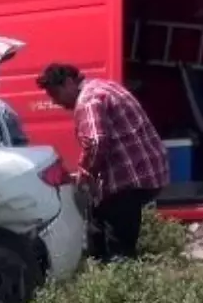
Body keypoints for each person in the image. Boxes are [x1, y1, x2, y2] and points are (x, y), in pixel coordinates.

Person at [36, 63, 168, 261]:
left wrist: (85, 172)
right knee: (99, 226)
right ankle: (105, 270)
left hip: (127, 179)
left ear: (69, 82)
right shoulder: (103, 86)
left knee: (118, 250)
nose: (56, 102)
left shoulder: (87, 100)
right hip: (145, 171)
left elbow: (96, 141)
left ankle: (119, 281)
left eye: (56, 94)